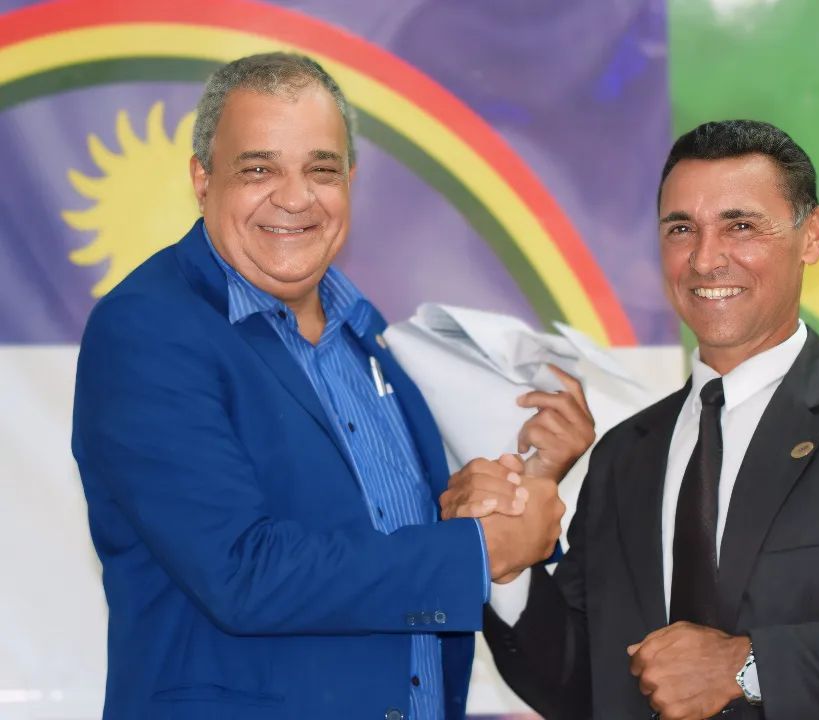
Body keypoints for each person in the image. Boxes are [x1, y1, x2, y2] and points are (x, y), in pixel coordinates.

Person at [71, 52, 592, 720]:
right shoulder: (149, 329)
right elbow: (241, 573)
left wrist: (508, 495)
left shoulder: (368, 340)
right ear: (203, 179)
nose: (295, 197)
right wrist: (475, 550)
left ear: (349, 180)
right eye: (258, 169)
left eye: (320, 169)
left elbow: (389, 548)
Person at [444, 120, 819, 719]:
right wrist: (510, 566)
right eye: (681, 229)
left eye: (740, 226)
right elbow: (582, 686)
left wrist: (748, 667)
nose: (705, 258)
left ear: (812, 236)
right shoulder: (625, 454)